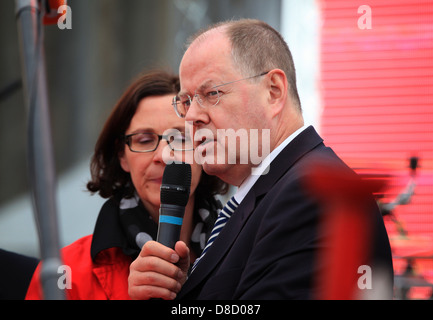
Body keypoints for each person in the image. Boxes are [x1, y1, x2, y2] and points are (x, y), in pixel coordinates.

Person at [128, 19, 394, 300]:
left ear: (274, 91)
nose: (192, 116)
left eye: (211, 93)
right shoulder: (270, 191)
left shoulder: (310, 195)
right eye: (186, 101)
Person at [25, 70, 228, 300]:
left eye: (181, 138)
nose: (164, 155)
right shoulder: (63, 274)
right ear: (122, 156)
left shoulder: (244, 251)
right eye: (144, 140)